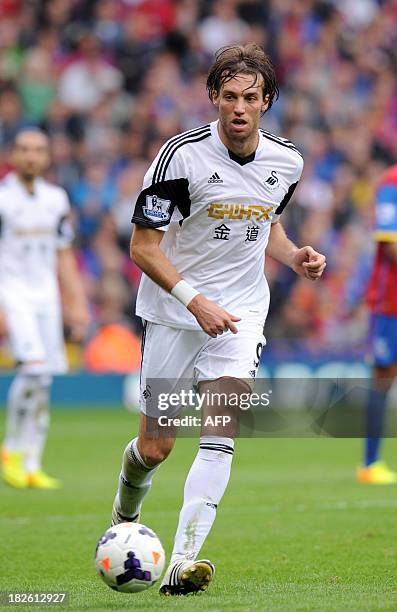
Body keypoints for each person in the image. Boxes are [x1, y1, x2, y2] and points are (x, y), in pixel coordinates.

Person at [110, 44, 326, 595]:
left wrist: (295, 254)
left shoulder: (288, 162)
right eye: (228, 96)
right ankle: (124, 517)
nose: (238, 107)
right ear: (213, 98)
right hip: (174, 314)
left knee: (220, 433)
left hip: (243, 312)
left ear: (266, 102)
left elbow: (266, 226)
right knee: (155, 448)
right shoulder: (181, 157)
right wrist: (194, 301)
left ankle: (182, 563)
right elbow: (142, 246)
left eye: (249, 97)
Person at [0, 128, 89, 489]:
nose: (31, 156)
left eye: (38, 149)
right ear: (13, 155)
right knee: (34, 369)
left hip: (46, 296)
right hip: (13, 292)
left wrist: (77, 303)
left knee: (46, 378)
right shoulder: (3, 200)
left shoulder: (56, 199)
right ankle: (9, 450)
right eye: (24, 150)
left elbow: (64, 253)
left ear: (47, 156)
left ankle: (32, 463)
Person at [358, 163, 397, 484]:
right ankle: (370, 463)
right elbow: (391, 246)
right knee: (383, 378)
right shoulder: (391, 183)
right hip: (390, 303)